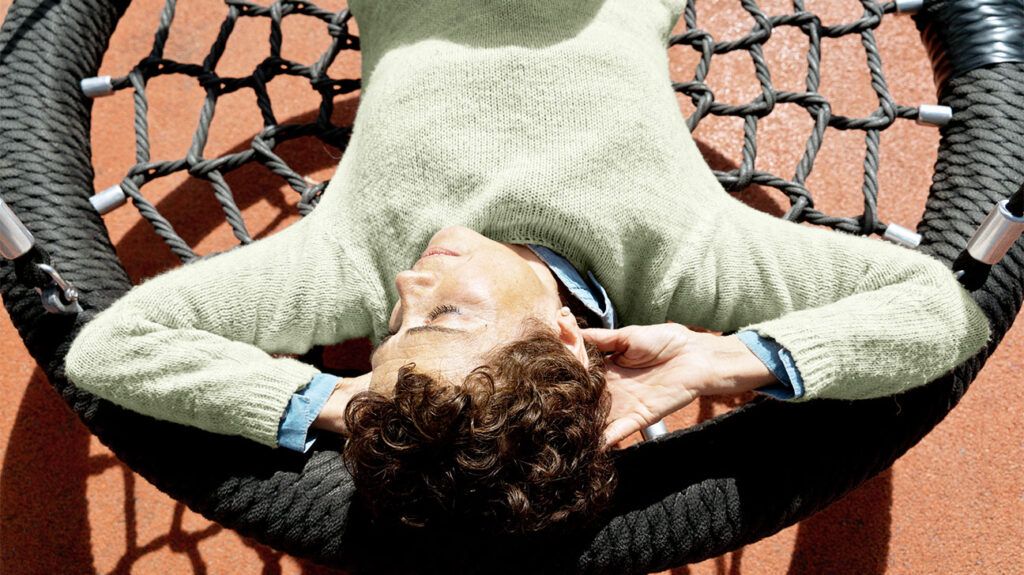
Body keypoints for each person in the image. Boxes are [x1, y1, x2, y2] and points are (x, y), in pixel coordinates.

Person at [63, 0, 991, 535]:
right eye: (449, 315)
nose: (407, 289)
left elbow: (113, 350)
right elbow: (936, 312)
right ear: (563, 334)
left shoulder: (356, 262)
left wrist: (346, 404)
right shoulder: (685, 257)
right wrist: (719, 361)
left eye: (388, 333)